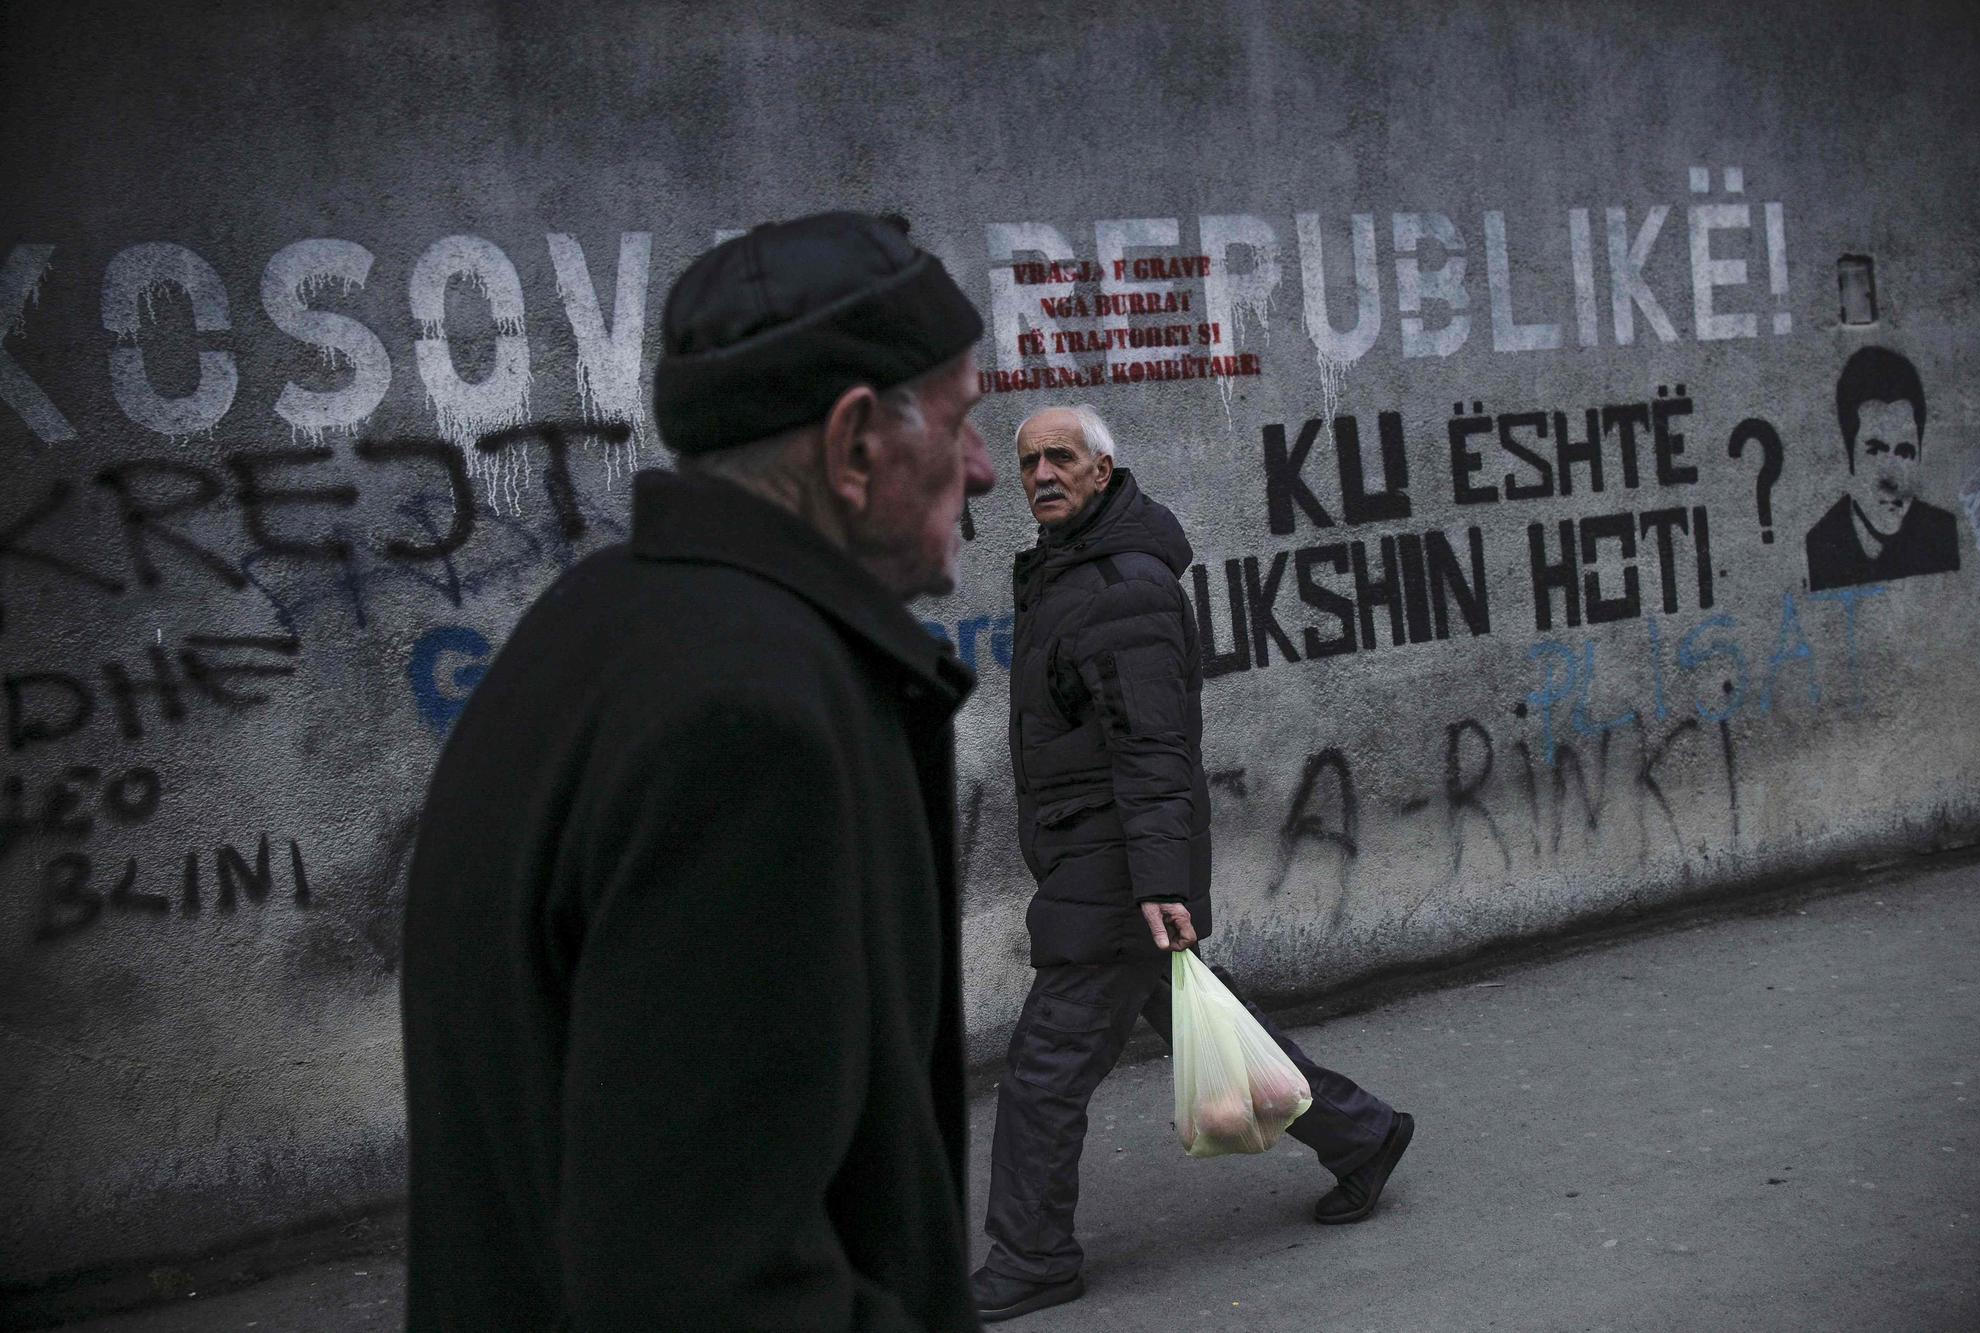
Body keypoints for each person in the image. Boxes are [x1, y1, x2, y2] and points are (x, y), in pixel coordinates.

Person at [401, 212, 996, 1331]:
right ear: (855, 443)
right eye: (962, 421)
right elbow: (710, 1281)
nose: (980, 467)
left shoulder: (595, 622)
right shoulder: (747, 724)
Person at [969, 405, 1415, 1322]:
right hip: (1102, 852)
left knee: (1044, 1071)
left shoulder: (1119, 584)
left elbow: (1153, 746)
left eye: (1062, 457)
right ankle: (1360, 1132)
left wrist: (1162, 881)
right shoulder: (1070, 571)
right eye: (1028, 462)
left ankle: (1033, 1254)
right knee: (1198, 1021)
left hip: (1114, 860)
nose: (1042, 473)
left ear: (1103, 470)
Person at [1805, 345, 1960, 590]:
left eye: (1905, 452)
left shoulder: (1943, 535)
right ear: (1849, 456)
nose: (1891, 481)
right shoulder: (1820, 546)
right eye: (1874, 451)